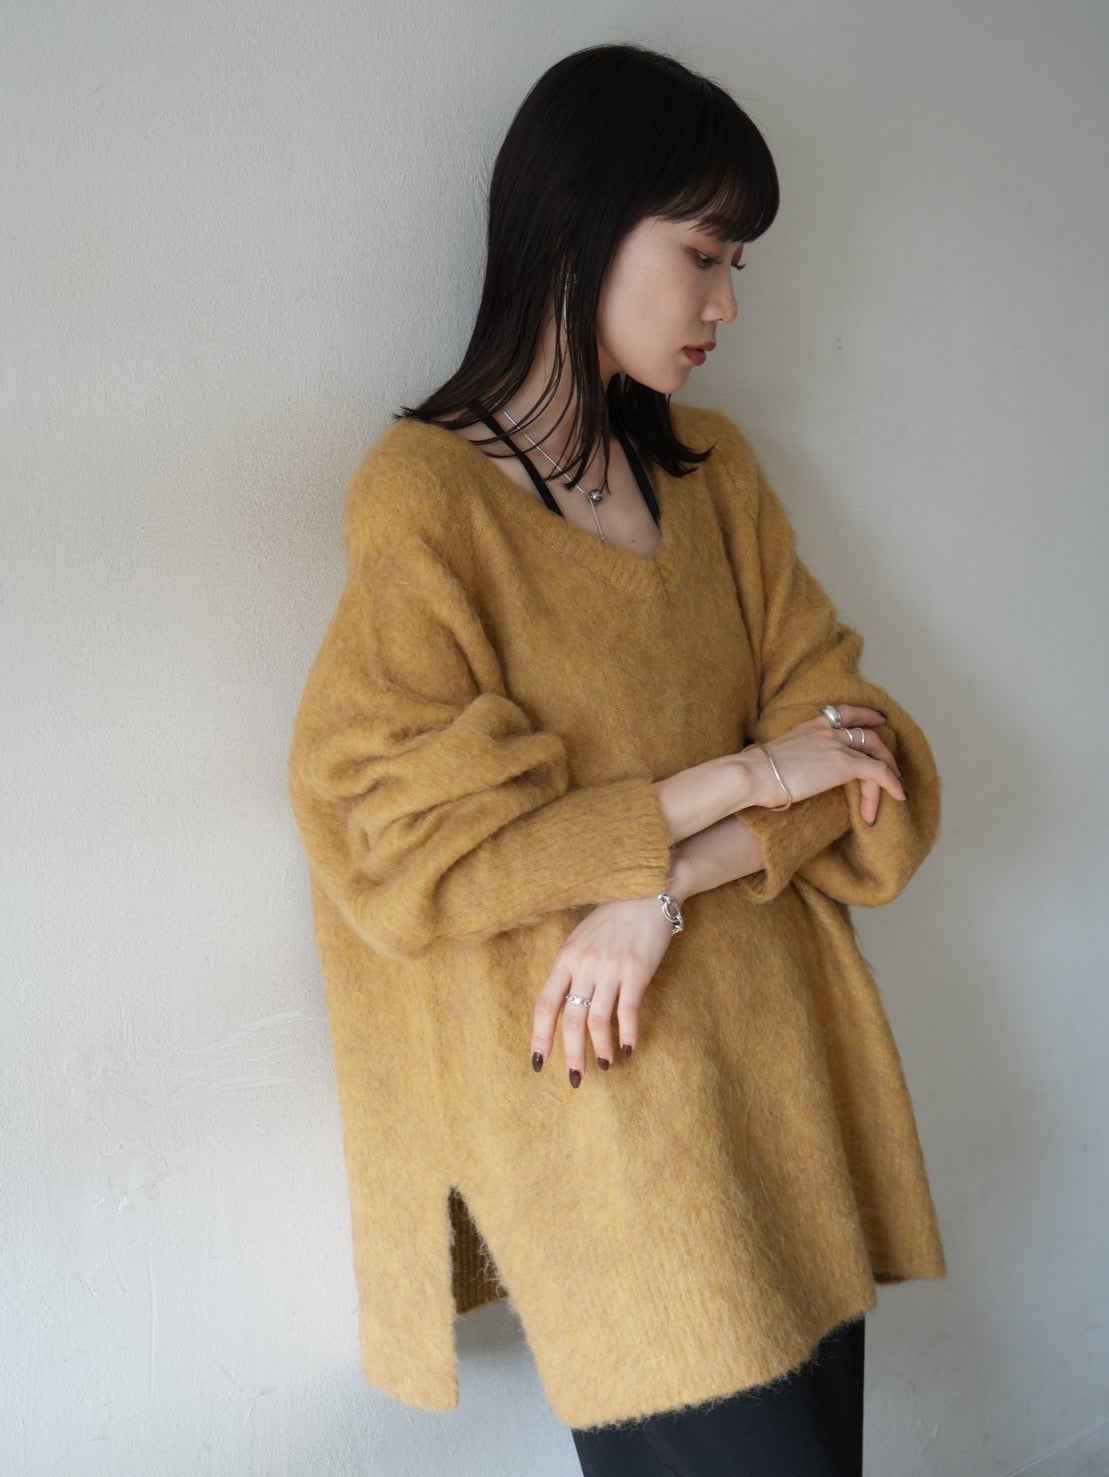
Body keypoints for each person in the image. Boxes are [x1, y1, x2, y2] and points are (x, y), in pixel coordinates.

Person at [288, 41, 947, 1476]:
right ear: (577, 227)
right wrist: (743, 776)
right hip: (613, 1133)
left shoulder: (715, 478)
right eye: (702, 254)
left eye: (737, 266)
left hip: (787, 1095)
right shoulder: (427, 500)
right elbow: (405, 845)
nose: (725, 305)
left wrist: (655, 888)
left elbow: (866, 752)